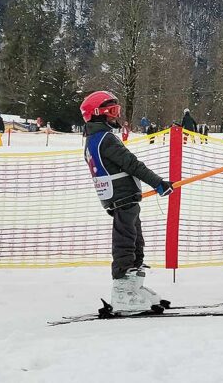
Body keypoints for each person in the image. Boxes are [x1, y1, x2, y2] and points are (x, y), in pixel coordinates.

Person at [80, 90, 174, 313]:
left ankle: (133, 286)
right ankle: (122, 290)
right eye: (111, 112)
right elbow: (132, 164)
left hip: (123, 197)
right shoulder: (105, 140)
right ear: (97, 114)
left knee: (134, 240)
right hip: (121, 197)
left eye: (117, 111)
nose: (115, 116)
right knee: (125, 241)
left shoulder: (95, 139)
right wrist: (158, 183)